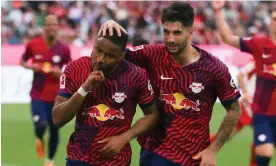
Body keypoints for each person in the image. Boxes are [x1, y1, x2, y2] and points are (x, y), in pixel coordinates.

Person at [99, 2, 241, 166]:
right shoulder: (152, 54)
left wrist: (213, 149)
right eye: (166, 32)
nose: (170, 39)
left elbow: (234, 110)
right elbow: (114, 55)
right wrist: (109, 29)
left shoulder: (214, 68)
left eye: (177, 33)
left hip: (194, 158)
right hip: (155, 153)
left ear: (190, 33)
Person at [52, 28, 159, 166]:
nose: (100, 59)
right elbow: (57, 119)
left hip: (116, 161)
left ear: (121, 56)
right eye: (98, 50)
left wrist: (124, 138)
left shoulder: (136, 75)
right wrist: (84, 89)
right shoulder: (76, 68)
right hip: (79, 157)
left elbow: (152, 114)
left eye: (109, 56)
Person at [212, 1, 276, 165]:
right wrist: (218, 12)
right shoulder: (260, 45)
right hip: (261, 110)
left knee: (257, 144)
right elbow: (227, 38)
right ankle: (199, 148)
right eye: (274, 18)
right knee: (263, 150)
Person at [20, 15, 72, 166]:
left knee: (55, 129)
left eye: (54, 25)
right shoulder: (33, 44)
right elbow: (22, 61)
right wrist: (31, 66)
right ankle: (39, 137)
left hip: (57, 96)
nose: (51, 27)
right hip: (37, 94)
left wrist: (61, 73)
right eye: (48, 24)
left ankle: (49, 160)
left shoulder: (63, 48)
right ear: (44, 27)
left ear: (58, 28)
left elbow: (70, 69)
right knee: (41, 124)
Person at [210, 60, 256, 166]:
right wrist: (245, 93)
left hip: (264, 108)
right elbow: (241, 74)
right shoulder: (260, 58)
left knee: (263, 138)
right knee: (227, 134)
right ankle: (195, 149)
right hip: (250, 105)